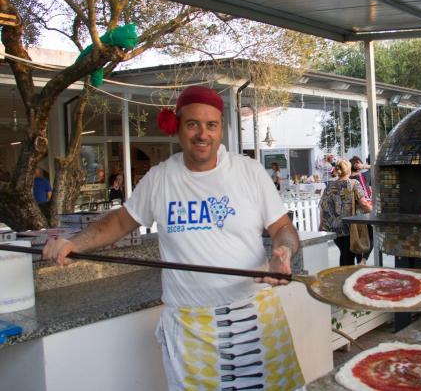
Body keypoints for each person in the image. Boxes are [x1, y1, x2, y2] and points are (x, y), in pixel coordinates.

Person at [43, 86, 304, 391]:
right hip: (191, 329)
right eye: (193, 124)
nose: (202, 134)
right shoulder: (160, 178)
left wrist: (282, 252)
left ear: (221, 129)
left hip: (255, 319)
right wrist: (74, 242)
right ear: (177, 127)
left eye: (211, 125)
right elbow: (120, 221)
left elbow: (283, 229)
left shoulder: (249, 172)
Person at [319, 160, 372, 266]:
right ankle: (346, 277)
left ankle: (346, 274)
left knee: (344, 254)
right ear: (348, 170)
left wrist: (322, 224)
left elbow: (322, 206)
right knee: (348, 256)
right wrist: (373, 211)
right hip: (349, 227)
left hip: (334, 227)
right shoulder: (353, 184)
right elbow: (364, 204)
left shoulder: (330, 185)